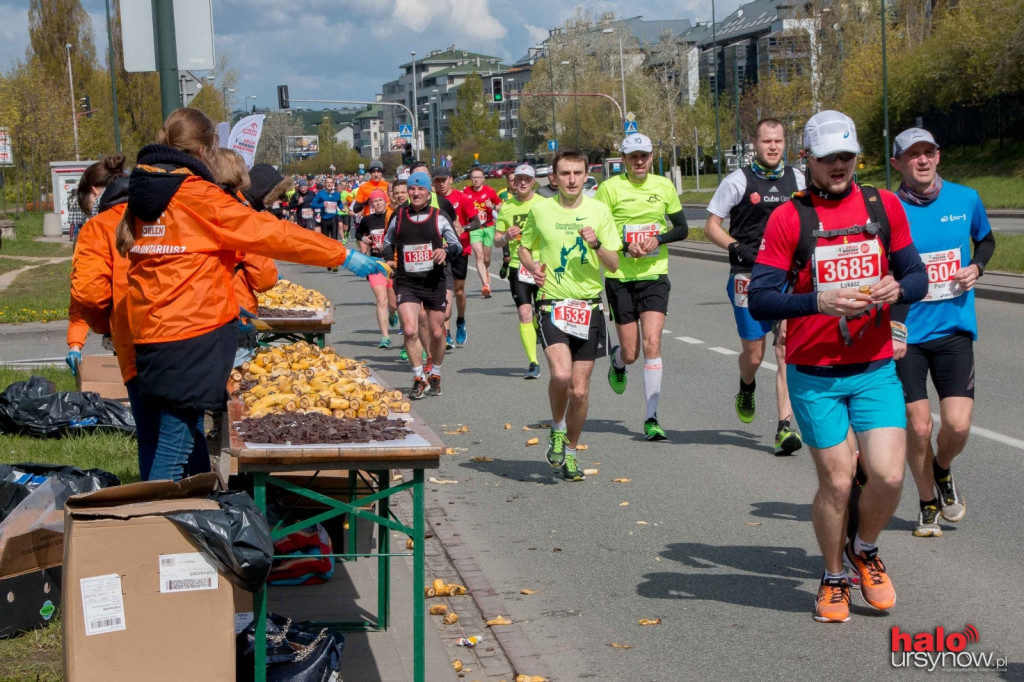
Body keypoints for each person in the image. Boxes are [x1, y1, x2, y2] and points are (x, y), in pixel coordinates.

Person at [115, 107, 388, 482]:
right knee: (176, 444)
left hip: (152, 328)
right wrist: (342, 254)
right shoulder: (197, 197)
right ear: (207, 148)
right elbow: (271, 234)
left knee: (187, 432)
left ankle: (188, 510)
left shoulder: (147, 193)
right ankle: (153, 525)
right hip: (191, 331)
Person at [748, 110, 928, 623]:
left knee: (891, 476)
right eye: (828, 158)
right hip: (816, 373)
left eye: (846, 156)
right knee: (839, 480)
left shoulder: (882, 204)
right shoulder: (790, 218)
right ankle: (832, 575)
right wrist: (817, 302)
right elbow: (761, 298)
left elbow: (915, 274)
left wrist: (899, 289)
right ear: (809, 160)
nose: (839, 166)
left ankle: (864, 550)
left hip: (873, 366)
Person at [889, 127, 995, 537]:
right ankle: (927, 501)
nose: (922, 160)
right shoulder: (888, 208)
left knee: (956, 426)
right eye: (912, 154)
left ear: (938, 156)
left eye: (928, 152)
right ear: (897, 162)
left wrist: (977, 267)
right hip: (906, 335)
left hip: (953, 329)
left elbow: (984, 240)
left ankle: (942, 470)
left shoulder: (965, 198)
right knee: (918, 427)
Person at [705, 118, 807, 453]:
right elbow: (711, 226)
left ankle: (785, 427)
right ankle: (746, 384)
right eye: (767, 141)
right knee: (754, 352)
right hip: (748, 275)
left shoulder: (799, 179)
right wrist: (734, 246)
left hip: (788, 276)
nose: (774, 147)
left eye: (778, 141)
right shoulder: (737, 181)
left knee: (785, 348)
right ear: (755, 143)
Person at [518, 149, 620, 481]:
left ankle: (572, 452)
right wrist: (534, 269)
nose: (572, 180)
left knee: (580, 390)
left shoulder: (599, 211)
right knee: (560, 376)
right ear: (554, 178)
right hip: (552, 304)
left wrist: (595, 244)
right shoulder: (540, 209)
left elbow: (614, 264)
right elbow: (524, 247)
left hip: (589, 307)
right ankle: (557, 429)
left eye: (577, 173)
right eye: (565, 174)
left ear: (586, 174)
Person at [596, 134, 689, 440]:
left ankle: (651, 417)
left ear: (651, 157)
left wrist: (657, 239)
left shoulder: (663, 186)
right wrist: (625, 246)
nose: (639, 162)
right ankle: (618, 362)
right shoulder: (609, 189)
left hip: (654, 274)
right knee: (632, 352)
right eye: (633, 157)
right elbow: (598, 232)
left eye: (644, 156)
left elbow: (682, 228)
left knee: (652, 344)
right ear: (623, 159)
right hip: (620, 278)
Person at [379, 172, 462, 399]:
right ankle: (418, 377)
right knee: (410, 329)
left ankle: (435, 373)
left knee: (437, 332)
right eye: (412, 190)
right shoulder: (399, 215)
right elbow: (387, 242)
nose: (416, 193)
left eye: (421, 189)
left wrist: (444, 251)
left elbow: (457, 245)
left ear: (428, 193)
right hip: (407, 281)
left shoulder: (439, 216)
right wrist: (388, 258)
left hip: (433, 281)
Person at [494, 164, 543, 378]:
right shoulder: (507, 207)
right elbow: (496, 240)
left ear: (533, 182)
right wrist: (506, 237)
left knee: (542, 314)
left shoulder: (544, 204)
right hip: (518, 267)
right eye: (518, 179)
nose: (522, 183)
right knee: (524, 311)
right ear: (514, 183)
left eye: (527, 179)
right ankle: (533, 362)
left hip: (542, 266)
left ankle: (537, 321)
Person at [432, 167, 480, 346]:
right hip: (439, 252)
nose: (441, 184)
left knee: (458, 291)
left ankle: (460, 321)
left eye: (443, 180)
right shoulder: (431, 200)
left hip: (459, 249)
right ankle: (447, 331)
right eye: (437, 180)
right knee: (443, 292)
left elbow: (477, 221)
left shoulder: (462, 198)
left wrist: (464, 229)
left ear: (451, 179)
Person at [357, 189, 397, 348]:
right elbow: (359, 234)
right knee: (381, 300)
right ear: (371, 204)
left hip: (393, 263)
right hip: (375, 262)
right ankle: (385, 336)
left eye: (381, 200)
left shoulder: (393, 216)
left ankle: (393, 313)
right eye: (375, 201)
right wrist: (364, 239)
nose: (378, 203)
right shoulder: (367, 220)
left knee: (393, 304)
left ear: (386, 201)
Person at [462, 166, 502, 298]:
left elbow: (500, 205)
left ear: (483, 179)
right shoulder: (466, 192)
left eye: (478, 177)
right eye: (474, 177)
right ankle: (485, 285)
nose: (476, 180)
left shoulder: (489, 191)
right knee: (478, 255)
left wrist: (493, 206)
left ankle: (487, 270)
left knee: (486, 258)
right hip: (474, 228)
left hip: (488, 226)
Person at [311, 175, 342, 241]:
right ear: (325, 184)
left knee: (334, 239)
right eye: (327, 182)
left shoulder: (337, 194)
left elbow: (339, 203)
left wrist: (343, 208)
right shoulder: (320, 193)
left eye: (331, 182)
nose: (329, 184)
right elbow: (312, 205)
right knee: (325, 240)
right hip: (324, 219)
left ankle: (334, 251)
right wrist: (322, 205)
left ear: (333, 184)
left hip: (334, 219)